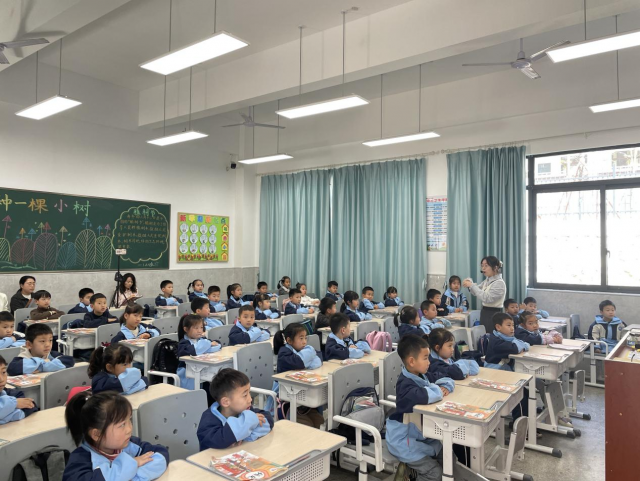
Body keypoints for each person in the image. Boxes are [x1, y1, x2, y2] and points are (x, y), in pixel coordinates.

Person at [385, 335, 455, 481]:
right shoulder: (405, 385)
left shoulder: (421, 375)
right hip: (403, 440)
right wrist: (438, 389)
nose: (429, 362)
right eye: (425, 358)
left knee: (450, 459)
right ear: (412, 361)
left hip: (422, 435)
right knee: (434, 473)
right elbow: (424, 395)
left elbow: (445, 378)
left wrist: (446, 386)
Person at [63, 391, 168, 481]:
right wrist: (132, 464)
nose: (129, 429)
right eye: (122, 425)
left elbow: (161, 454)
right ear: (97, 434)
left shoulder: (130, 444)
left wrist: (133, 477)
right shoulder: (79, 461)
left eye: (129, 420)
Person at [197, 368, 274, 450]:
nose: (250, 399)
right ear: (226, 402)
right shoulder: (208, 419)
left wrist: (245, 435)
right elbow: (219, 440)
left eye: (249, 393)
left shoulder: (244, 409)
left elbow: (268, 418)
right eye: (245, 395)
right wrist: (246, 426)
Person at [271, 323, 323, 428]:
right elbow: (299, 362)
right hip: (285, 395)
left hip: (300, 392)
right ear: (289, 341)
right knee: (308, 426)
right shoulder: (284, 352)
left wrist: (308, 359)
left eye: (305, 338)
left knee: (320, 421)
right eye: (301, 338)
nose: (304, 342)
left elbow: (319, 359)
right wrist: (310, 353)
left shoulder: (300, 350)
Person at [8, 323, 74, 375]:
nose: (48, 344)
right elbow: (12, 369)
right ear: (29, 345)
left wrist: (40, 367)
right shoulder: (22, 358)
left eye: (50, 340)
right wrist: (47, 363)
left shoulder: (51, 354)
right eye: (42, 341)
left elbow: (69, 361)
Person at [177, 315, 222, 390]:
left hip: (202, 370)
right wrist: (208, 345)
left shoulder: (201, 339)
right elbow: (194, 350)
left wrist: (208, 345)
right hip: (187, 374)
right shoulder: (183, 343)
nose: (200, 331)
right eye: (196, 328)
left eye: (201, 327)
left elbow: (217, 345)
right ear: (186, 329)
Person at [463, 256, 507, 333]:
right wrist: (470, 284)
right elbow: (476, 291)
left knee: (491, 335)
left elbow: (487, 298)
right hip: (485, 312)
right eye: (482, 266)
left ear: (495, 268)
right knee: (484, 335)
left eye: (486, 266)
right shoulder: (487, 280)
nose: (483, 268)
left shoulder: (499, 283)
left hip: (493, 314)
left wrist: (471, 285)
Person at [0, 354, 38, 424]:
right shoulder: (14, 400)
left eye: (3, 372)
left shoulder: (11, 393)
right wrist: (15, 404)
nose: (1, 379)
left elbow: (31, 405)